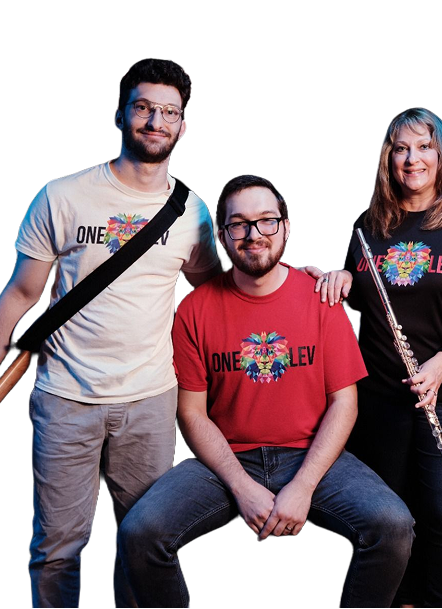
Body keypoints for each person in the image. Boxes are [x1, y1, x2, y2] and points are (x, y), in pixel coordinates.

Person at [0, 58, 221, 607]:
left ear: (182, 126)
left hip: (151, 400)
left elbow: (216, 293)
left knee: (143, 543)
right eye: (144, 108)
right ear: (121, 116)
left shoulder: (193, 213)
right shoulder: (62, 196)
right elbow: (20, 295)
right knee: (56, 549)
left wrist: (303, 277)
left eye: (169, 112)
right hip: (63, 400)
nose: (155, 121)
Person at [118, 174, 415, 608]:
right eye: (238, 224)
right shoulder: (194, 310)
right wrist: (241, 486)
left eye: (266, 221)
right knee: (139, 532)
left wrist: (304, 485)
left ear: (286, 228)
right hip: (227, 458)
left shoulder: (321, 298)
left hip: (311, 453)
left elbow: (344, 404)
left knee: (393, 525)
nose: (253, 235)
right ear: (222, 236)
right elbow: (193, 414)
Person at [310, 107, 442, 607]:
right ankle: (396, 598)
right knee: (388, 515)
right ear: (387, 158)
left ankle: (437, 601)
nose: (412, 159)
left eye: (424, 146)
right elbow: (355, 301)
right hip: (377, 395)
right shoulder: (367, 225)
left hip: (441, 394)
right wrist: (337, 280)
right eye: (400, 148)